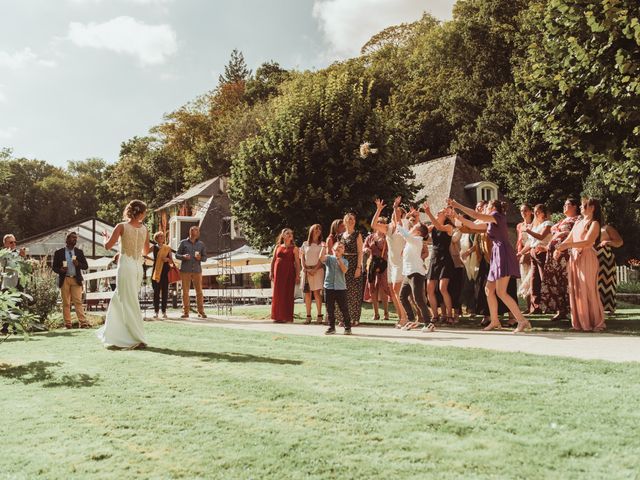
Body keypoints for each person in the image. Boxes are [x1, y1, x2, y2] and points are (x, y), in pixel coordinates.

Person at [449, 198, 530, 333]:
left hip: (503, 254)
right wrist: (456, 216)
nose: (484, 208)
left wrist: (457, 205)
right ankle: (494, 320)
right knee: (488, 289)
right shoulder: (491, 222)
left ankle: (522, 321)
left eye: (487, 207)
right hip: (497, 255)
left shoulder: (497, 216)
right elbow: (473, 225)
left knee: (501, 292)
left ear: (492, 207)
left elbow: (475, 216)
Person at [97, 200, 150, 349]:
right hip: (138, 267)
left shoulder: (121, 227)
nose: (145, 215)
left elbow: (107, 246)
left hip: (126, 265)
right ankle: (117, 334)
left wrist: (104, 237)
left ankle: (137, 338)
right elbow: (145, 252)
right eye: (145, 212)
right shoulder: (145, 229)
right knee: (121, 299)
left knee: (128, 301)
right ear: (140, 213)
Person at [555, 198, 605, 331]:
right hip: (575, 257)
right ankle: (580, 323)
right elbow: (570, 238)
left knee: (588, 289)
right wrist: (559, 248)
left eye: (583, 205)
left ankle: (596, 322)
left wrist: (568, 245)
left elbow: (587, 242)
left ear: (592, 207)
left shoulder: (594, 224)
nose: (581, 207)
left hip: (587, 257)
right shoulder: (578, 223)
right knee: (576, 290)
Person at [539, 198, 580, 321]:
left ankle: (573, 311)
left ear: (575, 206)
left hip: (565, 254)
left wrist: (560, 244)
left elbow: (572, 235)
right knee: (556, 282)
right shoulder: (562, 221)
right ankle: (560, 310)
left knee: (567, 281)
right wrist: (547, 248)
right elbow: (554, 238)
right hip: (553, 256)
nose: (564, 206)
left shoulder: (578, 220)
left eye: (567, 204)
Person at [397, 208, 435, 333]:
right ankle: (411, 319)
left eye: (414, 227)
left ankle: (428, 323)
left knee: (418, 299)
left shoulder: (417, 240)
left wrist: (399, 221)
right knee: (402, 296)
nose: (411, 227)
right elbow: (405, 231)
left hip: (416, 273)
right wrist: (402, 217)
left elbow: (404, 233)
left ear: (418, 232)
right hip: (408, 273)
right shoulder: (412, 240)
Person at [423, 203, 455, 324]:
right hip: (434, 259)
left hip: (445, 259)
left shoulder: (448, 227)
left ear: (445, 215)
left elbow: (440, 227)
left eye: (440, 212)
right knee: (429, 288)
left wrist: (429, 213)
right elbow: (423, 232)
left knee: (443, 288)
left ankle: (449, 316)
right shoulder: (433, 227)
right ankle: (435, 315)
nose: (437, 213)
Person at [52, 232, 89, 329]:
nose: (75, 239)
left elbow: (85, 266)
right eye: (73, 238)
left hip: (76, 279)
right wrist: (60, 270)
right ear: (67, 239)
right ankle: (68, 324)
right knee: (66, 302)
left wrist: (78, 264)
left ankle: (83, 323)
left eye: (76, 238)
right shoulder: (59, 252)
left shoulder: (79, 252)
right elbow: (54, 267)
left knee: (78, 301)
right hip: (65, 279)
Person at [522, 204, 553, 313]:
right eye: (535, 212)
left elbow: (541, 237)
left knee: (543, 278)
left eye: (538, 212)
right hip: (533, 252)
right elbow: (529, 243)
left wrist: (528, 231)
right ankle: (535, 307)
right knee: (534, 280)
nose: (535, 214)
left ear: (544, 213)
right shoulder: (535, 226)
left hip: (542, 252)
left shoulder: (548, 224)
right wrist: (520, 253)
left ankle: (548, 305)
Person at [365, 199, 391, 321]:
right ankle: (376, 313)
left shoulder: (387, 237)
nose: (379, 224)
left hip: (384, 264)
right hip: (372, 263)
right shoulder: (370, 237)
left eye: (381, 222)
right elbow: (365, 246)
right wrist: (366, 250)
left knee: (383, 288)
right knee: (372, 288)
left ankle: (386, 313)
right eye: (378, 222)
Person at [336, 213, 364, 327]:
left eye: (353, 219)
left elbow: (360, 252)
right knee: (342, 292)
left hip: (353, 265)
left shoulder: (357, 234)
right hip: (343, 265)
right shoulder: (340, 236)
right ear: (345, 221)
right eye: (349, 219)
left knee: (354, 293)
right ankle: (342, 317)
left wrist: (358, 267)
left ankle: (354, 318)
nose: (351, 221)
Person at [320, 241, 352, 335]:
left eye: (341, 247)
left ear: (343, 251)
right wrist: (323, 247)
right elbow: (321, 258)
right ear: (333, 249)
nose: (339, 248)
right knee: (330, 308)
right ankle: (331, 327)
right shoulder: (329, 258)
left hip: (341, 288)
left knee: (344, 308)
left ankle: (347, 327)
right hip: (329, 287)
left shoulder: (345, 261)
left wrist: (339, 259)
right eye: (337, 247)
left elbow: (344, 270)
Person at [176, 226, 207, 319]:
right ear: (191, 231)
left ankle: (201, 312)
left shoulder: (201, 244)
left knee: (199, 292)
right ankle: (186, 312)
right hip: (185, 270)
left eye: (198, 231)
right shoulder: (183, 243)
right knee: (185, 292)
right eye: (195, 230)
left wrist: (200, 258)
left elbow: (205, 258)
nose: (197, 232)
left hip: (197, 270)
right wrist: (183, 256)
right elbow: (177, 255)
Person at [270, 228, 300, 323]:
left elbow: (297, 263)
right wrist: (271, 271)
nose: (290, 235)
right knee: (278, 293)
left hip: (289, 272)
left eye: (291, 233)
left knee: (287, 293)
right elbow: (273, 260)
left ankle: (286, 317)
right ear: (283, 236)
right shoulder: (277, 247)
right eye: (287, 233)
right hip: (278, 273)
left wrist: (298, 275)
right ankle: (277, 316)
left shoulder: (294, 248)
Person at [387, 197, 408, 327]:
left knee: (397, 290)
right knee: (393, 291)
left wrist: (395, 207)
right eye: (395, 212)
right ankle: (401, 316)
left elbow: (409, 239)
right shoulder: (389, 228)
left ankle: (405, 317)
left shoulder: (404, 225)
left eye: (399, 212)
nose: (396, 214)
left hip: (401, 261)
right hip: (391, 262)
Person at [596, 223, 624, 313]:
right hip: (591, 257)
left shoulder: (606, 228)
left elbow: (620, 242)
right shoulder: (587, 227)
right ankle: (594, 307)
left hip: (605, 258)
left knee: (607, 282)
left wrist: (608, 242)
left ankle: (608, 307)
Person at [300, 224, 324, 324]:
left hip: (318, 271)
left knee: (317, 293)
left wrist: (315, 268)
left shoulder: (322, 244)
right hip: (307, 272)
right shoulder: (305, 244)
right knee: (307, 294)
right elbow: (302, 257)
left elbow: (322, 258)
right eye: (315, 229)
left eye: (319, 229)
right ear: (311, 231)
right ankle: (308, 316)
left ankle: (319, 316)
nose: (318, 230)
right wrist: (305, 268)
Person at [515, 204, 534, 309]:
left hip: (532, 252)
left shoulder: (535, 224)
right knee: (524, 277)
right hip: (522, 253)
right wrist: (520, 254)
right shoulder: (519, 226)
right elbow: (519, 241)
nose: (523, 213)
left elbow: (534, 241)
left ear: (531, 211)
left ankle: (535, 305)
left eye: (526, 210)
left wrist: (527, 253)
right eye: (522, 211)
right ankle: (528, 306)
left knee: (531, 279)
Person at [150, 231, 173, 319]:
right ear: (156, 238)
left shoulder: (167, 248)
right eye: (159, 236)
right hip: (156, 271)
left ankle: (164, 311)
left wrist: (167, 259)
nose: (161, 238)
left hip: (165, 272)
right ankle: (156, 312)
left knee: (165, 292)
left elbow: (171, 261)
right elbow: (144, 253)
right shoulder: (153, 247)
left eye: (162, 236)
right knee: (156, 292)